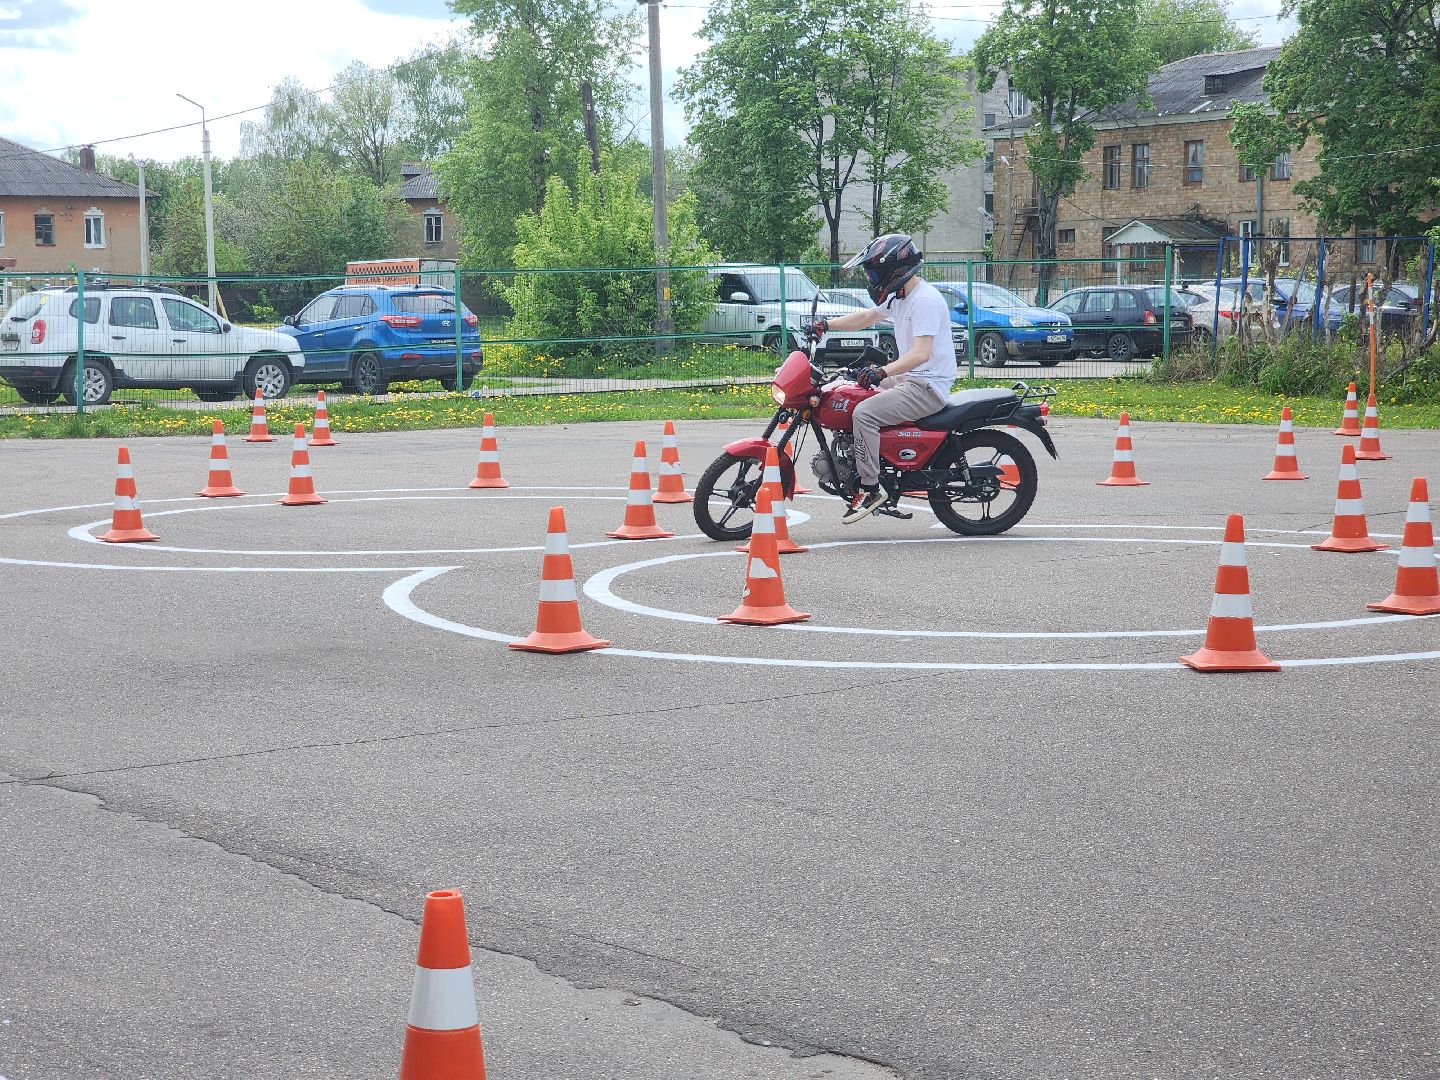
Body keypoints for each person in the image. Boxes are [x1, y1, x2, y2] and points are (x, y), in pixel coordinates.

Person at [810, 233, 957, 524]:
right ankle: (864, 460)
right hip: (910, 378)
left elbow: (922, 353)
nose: (872, 278)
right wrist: (825, 325)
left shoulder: (924, 300)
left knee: (864, 414)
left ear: (896, 270)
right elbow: (866, 317)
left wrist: (882, 372)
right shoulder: (900, 297)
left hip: (927, 385)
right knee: (849, 390)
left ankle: (870, 488)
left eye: (875, 272)